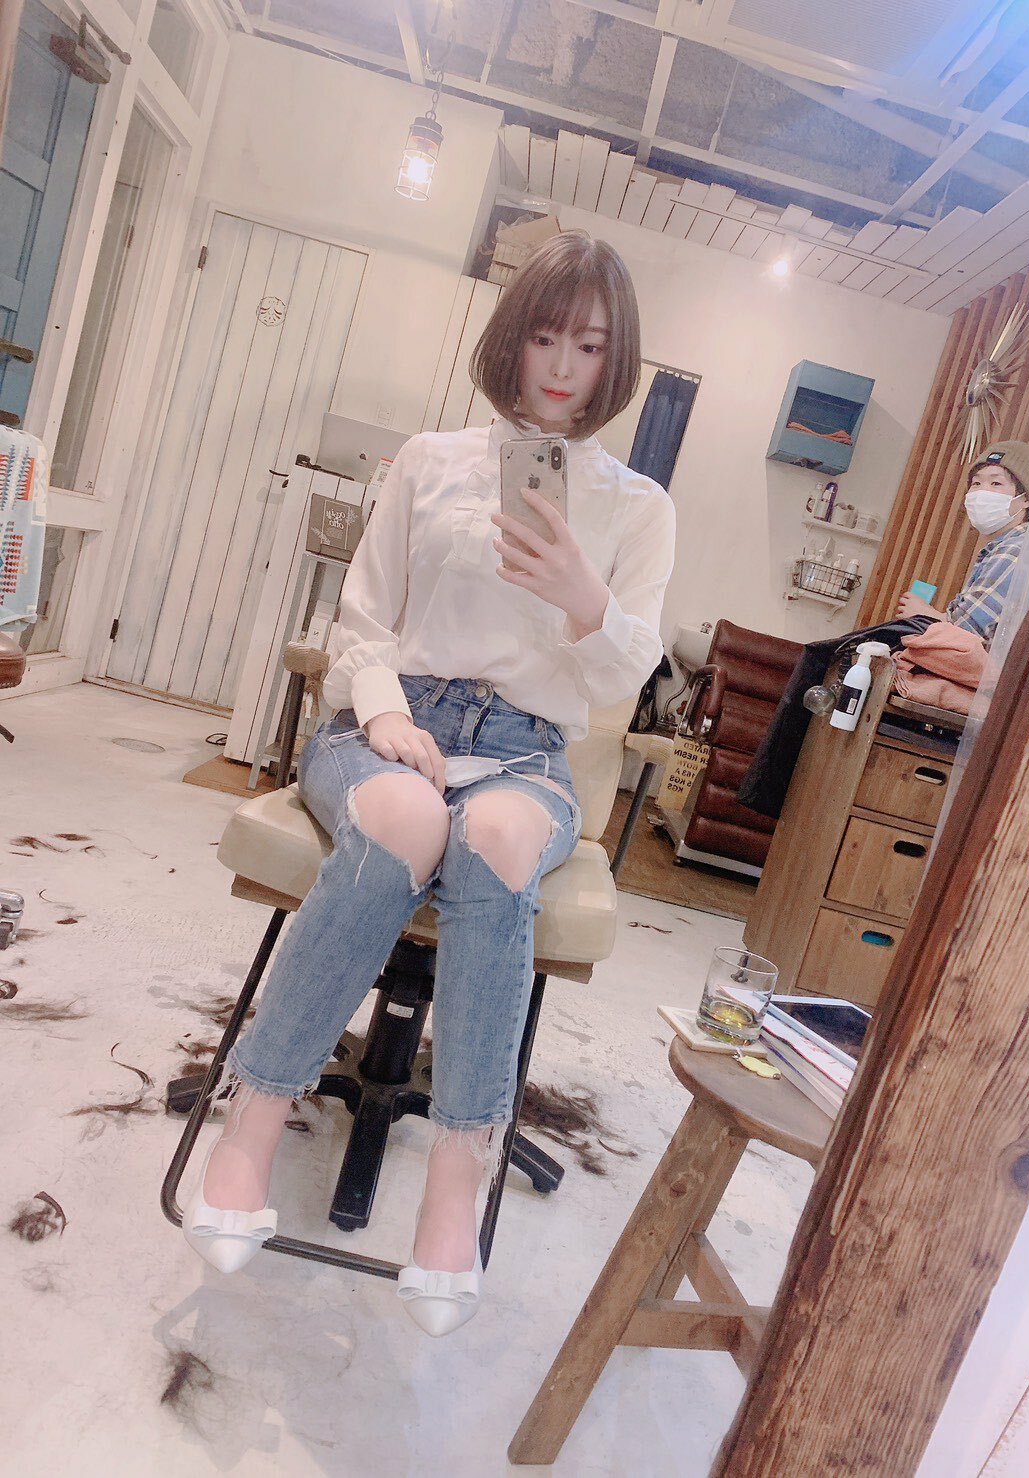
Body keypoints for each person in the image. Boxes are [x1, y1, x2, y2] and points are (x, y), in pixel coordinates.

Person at [181, 230, 677, 1337]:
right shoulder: (429, 458)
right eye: (545, 336)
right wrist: (388, 714)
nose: (563, 366)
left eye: (590, 345)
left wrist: (585, 595)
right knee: (406, 818)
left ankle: (458, 1172)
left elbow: (619, 680)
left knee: (493, 841)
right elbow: (364, 616)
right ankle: (253, 1121)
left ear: (617, 359)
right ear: (512, 339)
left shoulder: (638, 507)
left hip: (525, 752)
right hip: (392, 721)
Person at [895, 440, 1029, 646]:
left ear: (1026, 498)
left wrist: (923, 613)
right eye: (976, 483)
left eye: (996, 483)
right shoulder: (1006, 546)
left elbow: (967, 632)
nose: (982, 492)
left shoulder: (1015, 550)